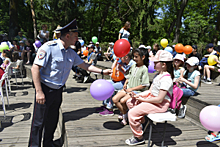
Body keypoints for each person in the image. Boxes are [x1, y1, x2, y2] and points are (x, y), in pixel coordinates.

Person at [28, 19, 111, 147]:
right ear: (67, 36)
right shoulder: (49, 48)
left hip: (58, 90)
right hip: (45, 89)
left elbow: (85, 66)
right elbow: (35, 68)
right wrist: (39, 92)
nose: (77, 39)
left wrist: (103, 71)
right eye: (76, 36)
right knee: (38, 122)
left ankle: (48, 142)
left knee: (52, 119)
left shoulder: (71, 53)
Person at [125, 50, 174, 145]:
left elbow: (159, 99)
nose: (153, 64)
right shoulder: (158, 75)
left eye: (156, 62)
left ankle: (139, 137)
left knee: (131, 113)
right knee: (130, 102)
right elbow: (151, 91)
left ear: (163, 64)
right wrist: (138, 95)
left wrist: (143, 99)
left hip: (160, 105)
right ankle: (143, 122)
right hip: (153, 100)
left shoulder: (166, 79)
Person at [112, 48, 150, 125]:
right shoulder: (133, 66)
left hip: (136, 91)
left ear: (143, 57)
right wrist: (126, 83)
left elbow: (145, 84)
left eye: (136, 57)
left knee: (122, 101)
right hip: (128, 88)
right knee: (114, 99)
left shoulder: (144, 69)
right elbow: (129, 76)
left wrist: (131, 89)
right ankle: (125, 113)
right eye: (134, 56)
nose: (134, 58)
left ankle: (125, 116)